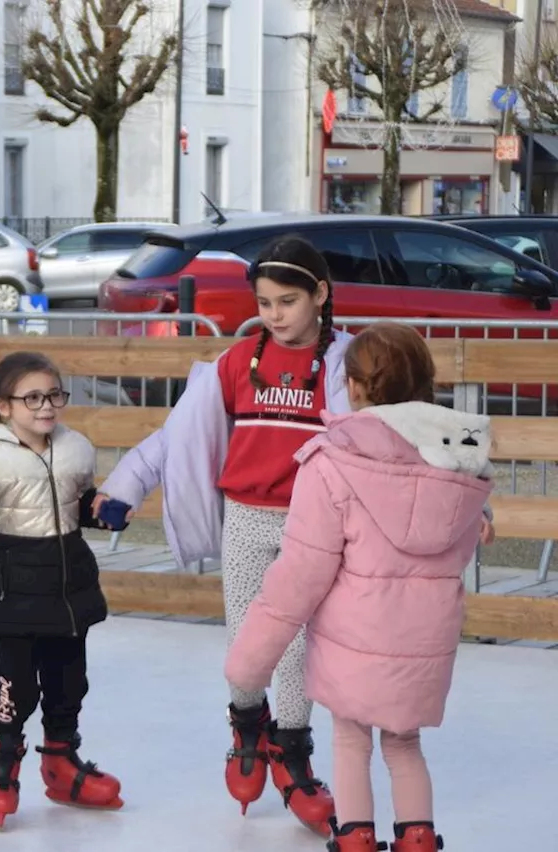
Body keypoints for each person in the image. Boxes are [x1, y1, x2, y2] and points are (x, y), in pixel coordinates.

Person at [95, 236, 352, 836]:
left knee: (296, 647)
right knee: (246, 648)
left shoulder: (348, 361)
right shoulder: (241, 362)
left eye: (288, 301)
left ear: (320, 294)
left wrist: (469, 505)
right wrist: (124, 488)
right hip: (246, 518)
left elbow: (399, 432)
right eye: (264, 302)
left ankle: (292, 752)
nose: (275, 315)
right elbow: (175, 437)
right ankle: (246, 724)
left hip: (312, 525)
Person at [224, 323, 493, 852]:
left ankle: (355, 838)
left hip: (354, 634)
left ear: (355, 386)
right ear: (427, 381)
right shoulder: (461, 463)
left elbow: (300, 574)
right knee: (405, 743)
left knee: (351, 740)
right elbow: (457, 552)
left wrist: (250, 661)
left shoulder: (333, 461)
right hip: (422, 642)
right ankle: (418, 839)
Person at [0, 351, 133, 829]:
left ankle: (61, 763)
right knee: (16, 685)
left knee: (69, 682)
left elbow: (77, 505)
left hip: (68, 587)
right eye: (32, 397)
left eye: (54, 395)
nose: (46, 406)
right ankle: (2, 763)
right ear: (3, 406)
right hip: (15, 587)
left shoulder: (75, 447)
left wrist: (103, 512)